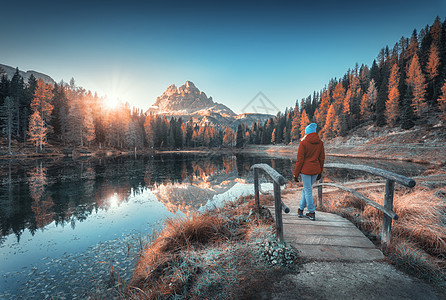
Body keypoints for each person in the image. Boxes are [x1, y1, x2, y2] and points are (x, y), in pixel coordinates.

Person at [293, 123, 325, 221]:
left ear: (307, 133)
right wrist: (320, 171)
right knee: (306, 189)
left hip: (306, 171)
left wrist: (296, 174)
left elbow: (300, 160)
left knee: (308, 190)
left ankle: (311, 212)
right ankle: (300, 210)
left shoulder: (303, 143)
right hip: (315, 170)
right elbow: (322, 158)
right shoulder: (320, 143)